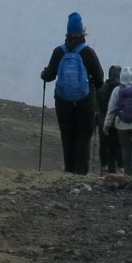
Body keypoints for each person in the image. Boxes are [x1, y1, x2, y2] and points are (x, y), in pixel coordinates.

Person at [40, 12, 103, 174]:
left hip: (63, 102)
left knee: (67, 136)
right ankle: (81, 172)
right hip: (85, 102)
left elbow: (49, 76)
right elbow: (100, 78)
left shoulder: (59, 52)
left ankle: (68, 170)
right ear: (83, 31)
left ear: (67, 31)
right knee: (83, 137)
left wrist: (44, 74)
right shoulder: (88, 53)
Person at [103, 67, 132, 176]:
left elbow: (111, 110)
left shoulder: (117, 90)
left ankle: (127, 171)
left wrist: (106, 125)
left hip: (122, 125)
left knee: (125, 146)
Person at [94, 65, 123, 173]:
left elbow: (97, 106)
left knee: (103, 145)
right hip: (117, 123)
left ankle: (105, 168)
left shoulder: (102, 89)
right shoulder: (121, 89)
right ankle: (120, 169)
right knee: (117, 146)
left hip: (103, 121)